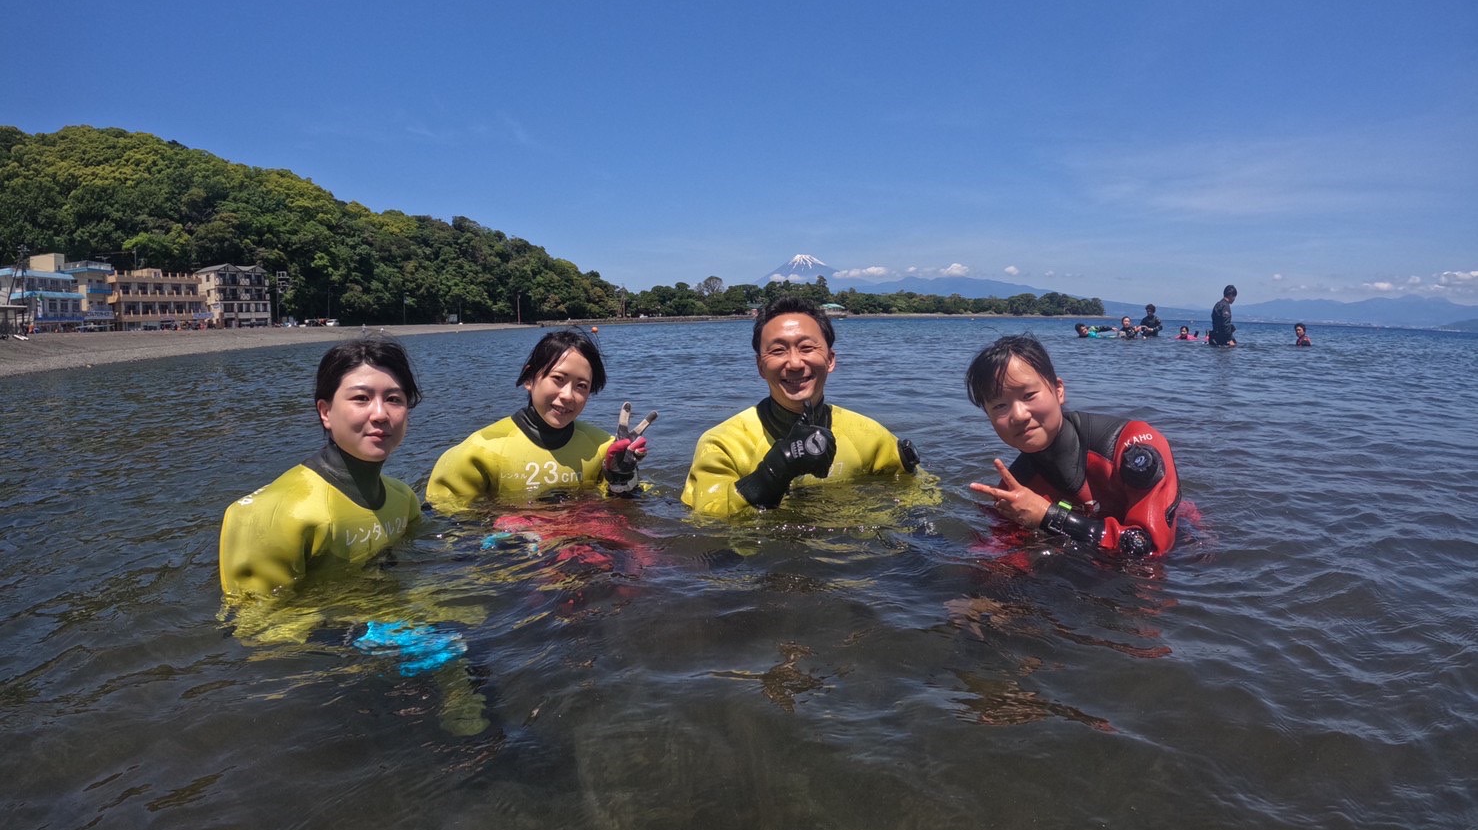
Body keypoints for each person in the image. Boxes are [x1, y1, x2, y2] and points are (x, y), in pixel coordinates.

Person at [219, 336, 423, 597]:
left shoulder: (403, 499)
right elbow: (255, 617)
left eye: (394, 399)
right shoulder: (273, 515)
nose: (381, 414)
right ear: (325, 412)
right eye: (361, 398)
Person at [682, 296, 919, 516]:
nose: (795, 363)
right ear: (760, 367)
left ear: (830, 360)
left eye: (807, 348)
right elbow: (706, 519)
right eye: (778, 351)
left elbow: (921, 493)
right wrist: (770, 474)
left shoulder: (870, 436)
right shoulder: (722, 444)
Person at [965, 334, 1181, 557]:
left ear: (1058, 390)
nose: (1019, 415)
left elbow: (1149, 548)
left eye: (1029, 395)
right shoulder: (1015, 488)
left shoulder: (1130, 444)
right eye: (1000, 406)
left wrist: (1047, 516)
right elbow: (1004, 554)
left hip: (1185, 549)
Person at [426, 329, 651, 511]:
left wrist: (623, 479)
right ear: (529, 378)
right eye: (558, 379)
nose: (568, 395)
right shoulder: (479, 451)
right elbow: (446, 523)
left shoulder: (603, 449)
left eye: (581, 386)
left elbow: (631, 509)